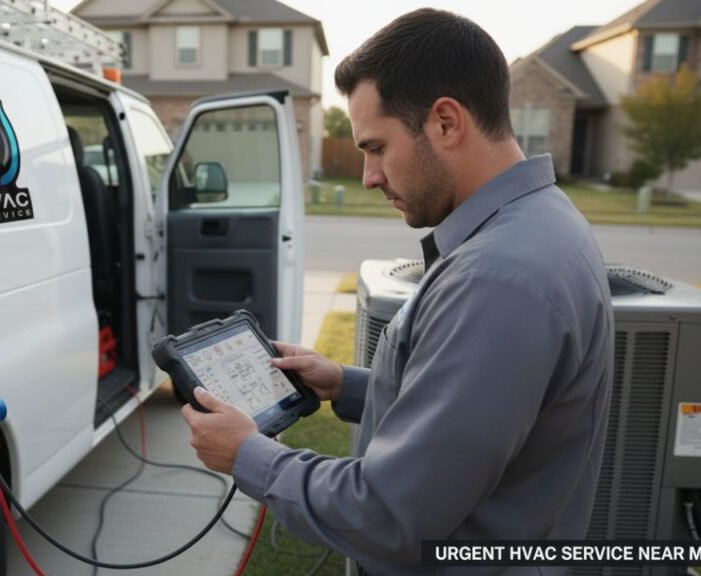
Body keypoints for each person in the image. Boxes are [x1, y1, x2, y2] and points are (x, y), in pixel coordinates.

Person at [181, 8, 614, 575]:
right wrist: (345, 384)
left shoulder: (498, 278)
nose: (368, 175)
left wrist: (248, 456)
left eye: (377, 147)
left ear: (445, 123)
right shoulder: (535, 223)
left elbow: (388, 516)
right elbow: (481, 416)